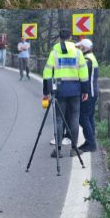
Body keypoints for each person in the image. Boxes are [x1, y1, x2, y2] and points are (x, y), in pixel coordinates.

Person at [43, 28, 89, 156]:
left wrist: (46, 91)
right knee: (74, 119)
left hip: (59, 90)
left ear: (60, 38)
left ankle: (57, 150)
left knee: (58, 119)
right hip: (75, 90)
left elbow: (47, 72)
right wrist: (85, 90)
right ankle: (74, 149)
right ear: (70, 37)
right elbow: (84, 73)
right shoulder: (78, 52)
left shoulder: (55, 52)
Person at [75, 38, 99, 152]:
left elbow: (82, 76)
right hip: (93, 92)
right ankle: (91, 140)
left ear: (84, 48)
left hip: (88, 93)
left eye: (80, 47)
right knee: (89, 117)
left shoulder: (86, 60)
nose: (78, 48)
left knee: (83, 118)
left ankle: (90, 142)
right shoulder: (92, 57)